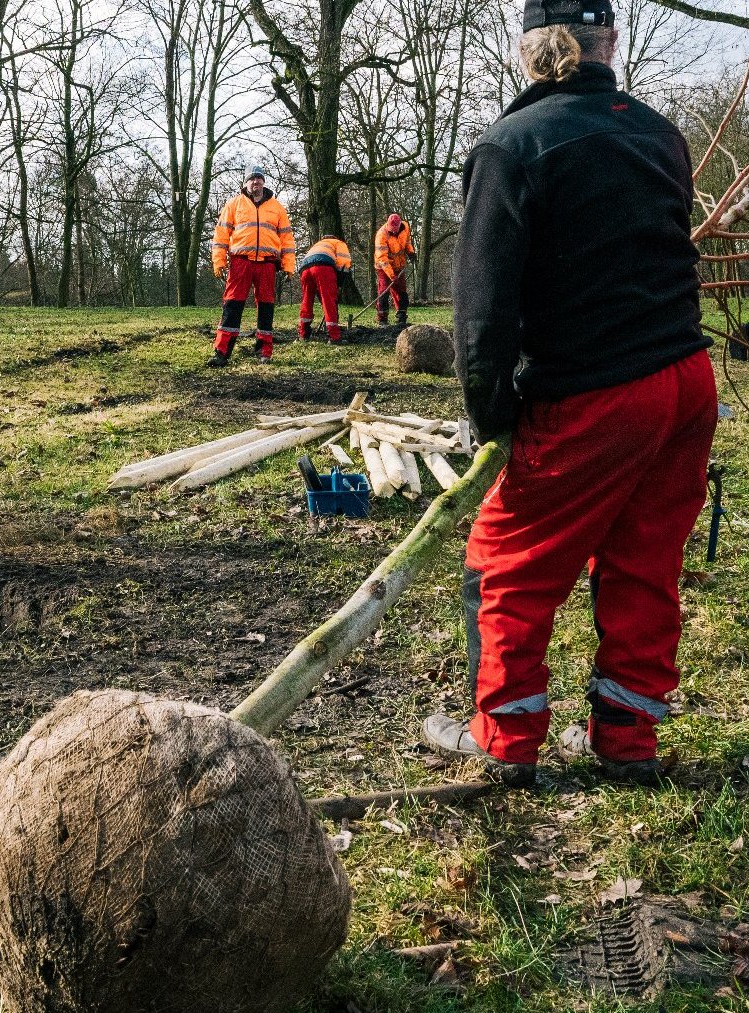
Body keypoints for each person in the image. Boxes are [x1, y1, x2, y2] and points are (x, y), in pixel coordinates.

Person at [420, 0, 714, 788]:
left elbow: (482, 314)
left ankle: (504, 741)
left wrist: (493, 419)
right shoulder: (660, 133)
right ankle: (627, 740)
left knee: (507, 561)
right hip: (685, 380)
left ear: (526, 54)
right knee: (643, 559)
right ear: (608, 44)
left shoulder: (510, 148)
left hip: (597, 389)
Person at [210, 167, 296, 366]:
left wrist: (289, 265)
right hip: (241, 262)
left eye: (259, 178)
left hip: (267, 263)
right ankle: (222, 352)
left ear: (263, 182)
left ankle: (264, 351)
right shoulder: (233, 204)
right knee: (232, 304)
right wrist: (219, 261)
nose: (256, 182)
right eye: (252, 179)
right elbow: (221, 236)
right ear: (245, 183)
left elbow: (287, 239)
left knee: (266, 306)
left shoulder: (277, 208)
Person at [297, 236, 352, 344]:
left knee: (307, 301)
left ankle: (303, 334)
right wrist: (339, 284)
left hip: (304, 269)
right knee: (329, 301)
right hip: (323, 267)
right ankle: (334, 336)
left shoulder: (318, 245)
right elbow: (344, 264)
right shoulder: (339, 243)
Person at [373, 213, 416, 327]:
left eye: (396, 229)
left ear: (400, 225)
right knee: (384, 291)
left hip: (399, 265)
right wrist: (391, 275)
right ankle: (382, 319)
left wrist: (410, 252)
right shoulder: (381, 235)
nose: (395, 232)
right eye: (392, 230)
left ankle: (401, 316)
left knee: (401, 291)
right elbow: (382, 258)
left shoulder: (405, 226)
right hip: (383, 266)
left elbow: (407, 242)